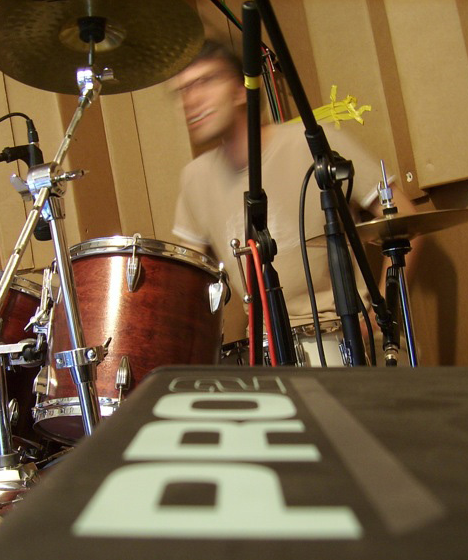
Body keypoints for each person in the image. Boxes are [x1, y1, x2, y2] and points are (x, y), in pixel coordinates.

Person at [171, 40, 421, 365]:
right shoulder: (195, 179)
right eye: (184, 90)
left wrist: (380, 315)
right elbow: (184, 284)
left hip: (344, 339)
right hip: (266, 351)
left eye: (205, 81)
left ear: (240, 91)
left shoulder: (312, 143)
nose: (191, 99)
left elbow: (407, 222)